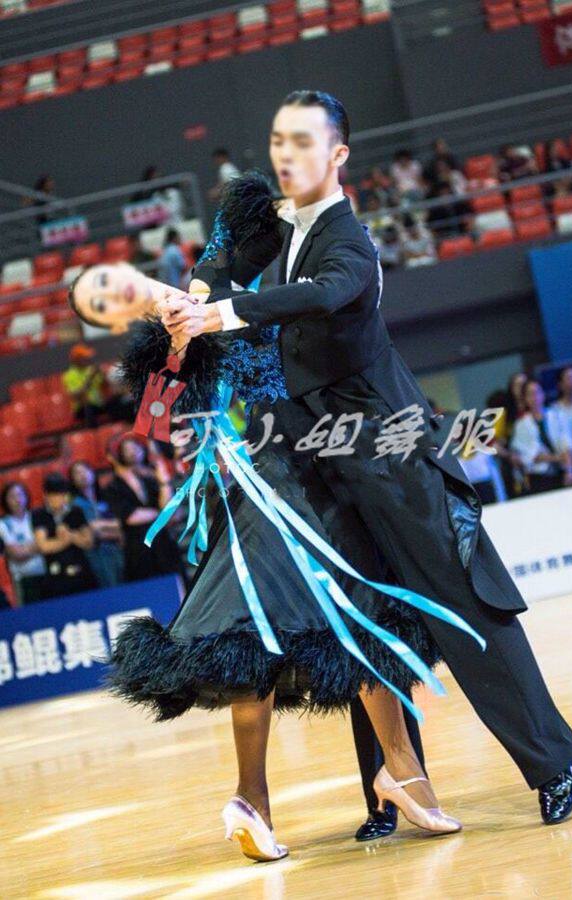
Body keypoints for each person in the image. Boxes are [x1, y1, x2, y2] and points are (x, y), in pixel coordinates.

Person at [156, 91, 572, 839]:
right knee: (358, 618)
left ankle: (551, 762)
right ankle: (388, 791)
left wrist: (226, 312)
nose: (286, 154)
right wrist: (194, 298)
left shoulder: (348, 240)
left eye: (303, 141)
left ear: (338, 154)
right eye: (278, 140)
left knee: (467, 603)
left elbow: (326, 294)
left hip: (390, 451)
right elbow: (218, 263)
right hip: (311, 456)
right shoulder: (272, 227)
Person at [103, 168, 468, 861]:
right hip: (290, 479)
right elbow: (157, 413)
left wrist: (192, 320)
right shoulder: (213, 302)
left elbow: (163, 408)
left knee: (317, 623)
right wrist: (176, 337)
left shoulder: (252, 286)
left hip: (302, 472)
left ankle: (280, 794)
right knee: (335, 615)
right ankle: (375, 777)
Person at [104, 436, 186, 585]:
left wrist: (164, 483)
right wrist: (162, 515)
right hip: (138, 550)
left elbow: (171, 509)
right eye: (127, 449)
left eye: (135, 447)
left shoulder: (154, 478)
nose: (133, 452)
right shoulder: (113, 486)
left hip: (165, 545)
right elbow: (131, 517)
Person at [32, 473, 97, 599]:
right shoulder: (39, 515)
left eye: (62, 495)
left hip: (82, 572)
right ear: (46, 496)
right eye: (54, 496)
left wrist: (70, 535)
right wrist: (69, 539)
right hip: (56, 576)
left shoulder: (76, 511)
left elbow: (89, 542)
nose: (58, 499)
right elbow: (44, 546)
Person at [510, 379, 572, 494]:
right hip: (539, 477)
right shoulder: (521, 425)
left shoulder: (557, 415)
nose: (535, 397)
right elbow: (531, 455)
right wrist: (558, 458)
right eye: (530, 394)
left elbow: (567, 443)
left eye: (537, 392)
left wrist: (569, 470)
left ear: (543, 394)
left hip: (562, 471)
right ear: (525, 399)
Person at [69, 461, 124, 588]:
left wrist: (99, 525)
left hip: (118, 549)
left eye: (85, 470)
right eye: (77, 473)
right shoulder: (75, 506)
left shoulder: (107, 496)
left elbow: (121, 522)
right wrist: (114, 531)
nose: (83, 475)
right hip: (96, 555)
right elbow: (89, 533)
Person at [0, 482, 46, 605]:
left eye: (20, 495)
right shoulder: (3, 524)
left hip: (46, 573)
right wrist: (39, 545)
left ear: (26, 496)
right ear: (5, 500)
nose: (17, 500)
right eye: (12, 496)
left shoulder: (37, 516)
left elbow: (48, 545)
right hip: (23, 579)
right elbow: (17, 554)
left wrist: (26, 548)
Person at [62, 343, 106, 428]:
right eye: (85, 357)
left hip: (98, 405)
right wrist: (90, 378)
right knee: (88, 409)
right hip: (82, 409)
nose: (88, 359)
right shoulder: (69, 375)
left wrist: (102, 373)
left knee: (115, 403)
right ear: (77, 359)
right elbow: (76, 396)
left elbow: (104, 385)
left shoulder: (90, 369)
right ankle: (93, 433)